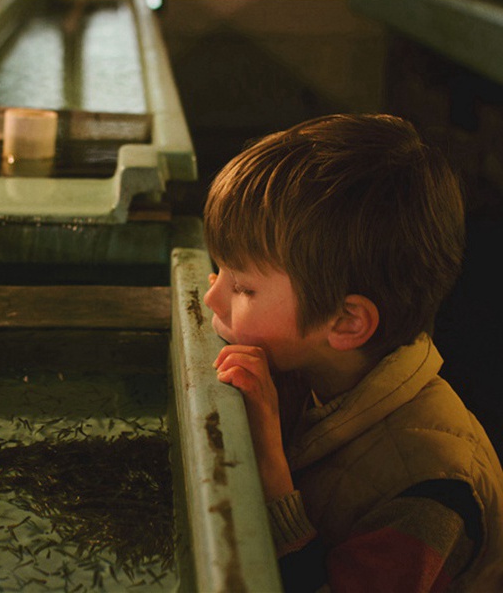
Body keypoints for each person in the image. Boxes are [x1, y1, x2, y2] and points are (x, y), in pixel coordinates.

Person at [202, 113, 503, 592]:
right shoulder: (315, 372)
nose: (210, 298)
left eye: (241, 286)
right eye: (217, 270)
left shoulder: (432, 487)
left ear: (345, 322)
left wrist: (272, 477)